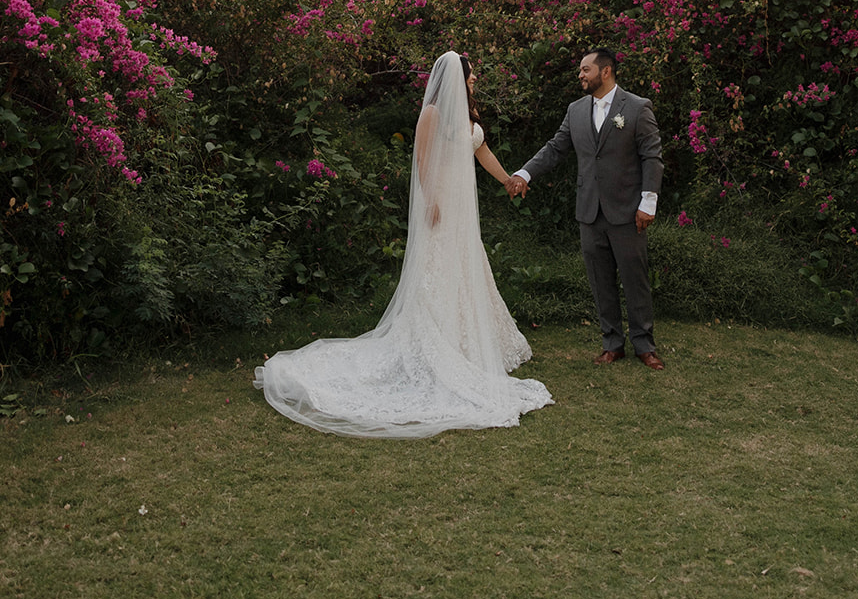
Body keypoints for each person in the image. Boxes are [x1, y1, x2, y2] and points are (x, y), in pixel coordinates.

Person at [254, 52, 553, 437]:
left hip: (464, 210)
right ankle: (434, 344)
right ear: (454, 78)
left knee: (464, 264)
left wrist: (508, 180)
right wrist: (430, 201)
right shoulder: (432, 114)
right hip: (441, 202)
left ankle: (467, 341)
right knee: (437, 267)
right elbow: (423, 161)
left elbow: (481, 151)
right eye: (471, 74)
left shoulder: (468, 113)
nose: (475, 79)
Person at [507, 49, 665, 370]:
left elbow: (652, 157)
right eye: (580, 70)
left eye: (585, 69)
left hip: (627, 211)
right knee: (600, 280)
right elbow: (555, 148)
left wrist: (648, 203)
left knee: (635, 280)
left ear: (605, 71)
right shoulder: (576, 111)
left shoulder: (636, 108)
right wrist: (525, 173)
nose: (580, 75)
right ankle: (612, 344)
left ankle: (644, 345)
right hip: (589, 212)